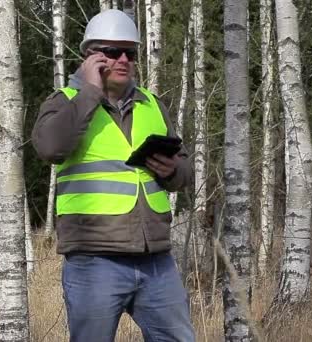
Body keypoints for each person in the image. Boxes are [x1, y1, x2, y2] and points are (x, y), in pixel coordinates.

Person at [32, 9, 196, 342]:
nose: (122, 59)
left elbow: (185, 169)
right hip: (94, 260)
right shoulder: (64, 102)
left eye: (130, 53)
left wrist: (174, 171)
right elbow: (49, 147)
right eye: (111, 52)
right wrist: (90, 92)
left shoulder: (152, 104)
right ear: (88, 56)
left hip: (156, 261)